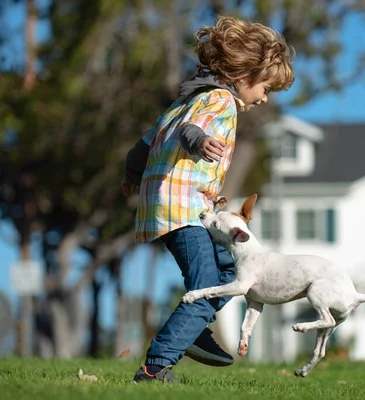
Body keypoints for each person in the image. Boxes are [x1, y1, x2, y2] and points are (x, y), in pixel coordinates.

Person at [121, 15, 295, 384]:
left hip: (169, 208)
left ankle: (192, 331)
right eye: (265, 88)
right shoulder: (220, 100)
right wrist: (199, 142)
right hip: (182, 209)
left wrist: (131, 176)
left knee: (233, 273)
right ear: (244, 75)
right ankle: (155, 368)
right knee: (205, 284)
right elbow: (190, 131)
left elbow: (141, 147)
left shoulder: (181, 102)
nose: (264, 98)